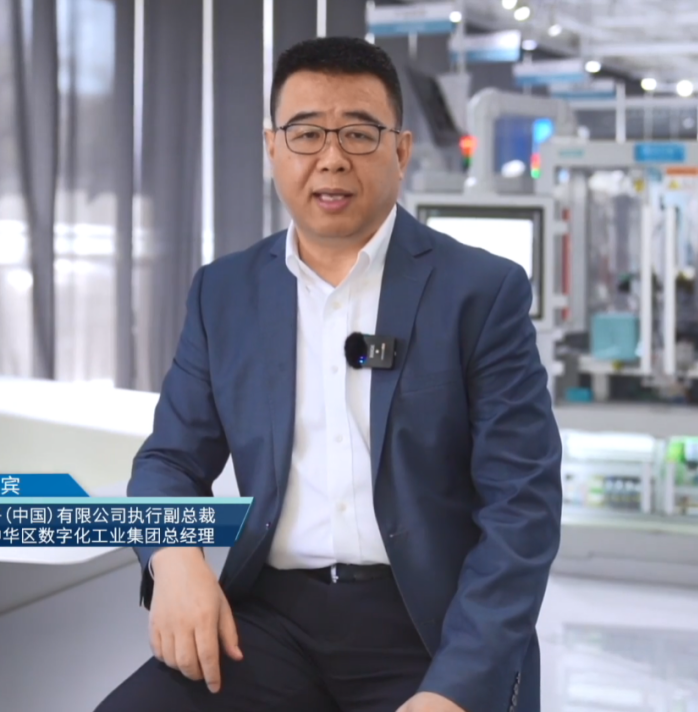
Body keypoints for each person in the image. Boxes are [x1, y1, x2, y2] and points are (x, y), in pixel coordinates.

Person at [96, 37, 562, 712]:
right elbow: (169, 460)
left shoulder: (480, 293)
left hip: (431, 626)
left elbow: (522, 507)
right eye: (307, 133)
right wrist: (174, 560)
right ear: (272, 148)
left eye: (359, 134)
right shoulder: (224, 293)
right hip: (271, 621)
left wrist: (456, 689)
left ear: (401, 151)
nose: (332, 158)